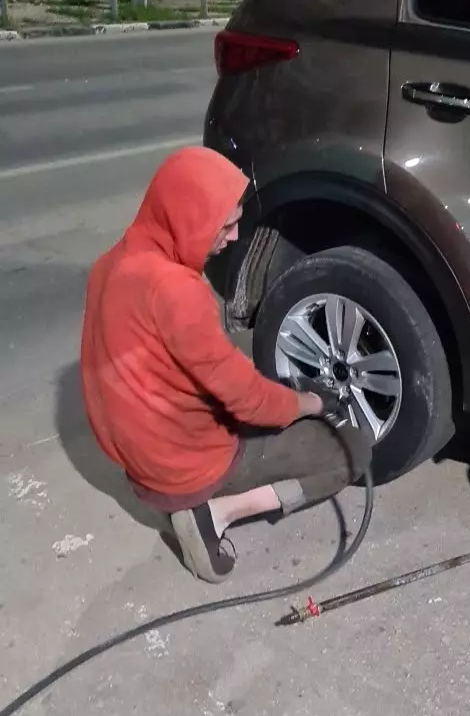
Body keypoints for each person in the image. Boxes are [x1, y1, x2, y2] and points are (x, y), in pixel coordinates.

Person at [80, 146, 371, 583]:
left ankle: (193, 498)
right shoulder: (177, 293)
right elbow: (249, 401)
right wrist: (310, 403)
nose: (234, 238)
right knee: (353, 448)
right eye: (227, 225)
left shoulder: (110, 264)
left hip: (139, 461)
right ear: (189, 217)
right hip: (185, 471)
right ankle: (214, 513)